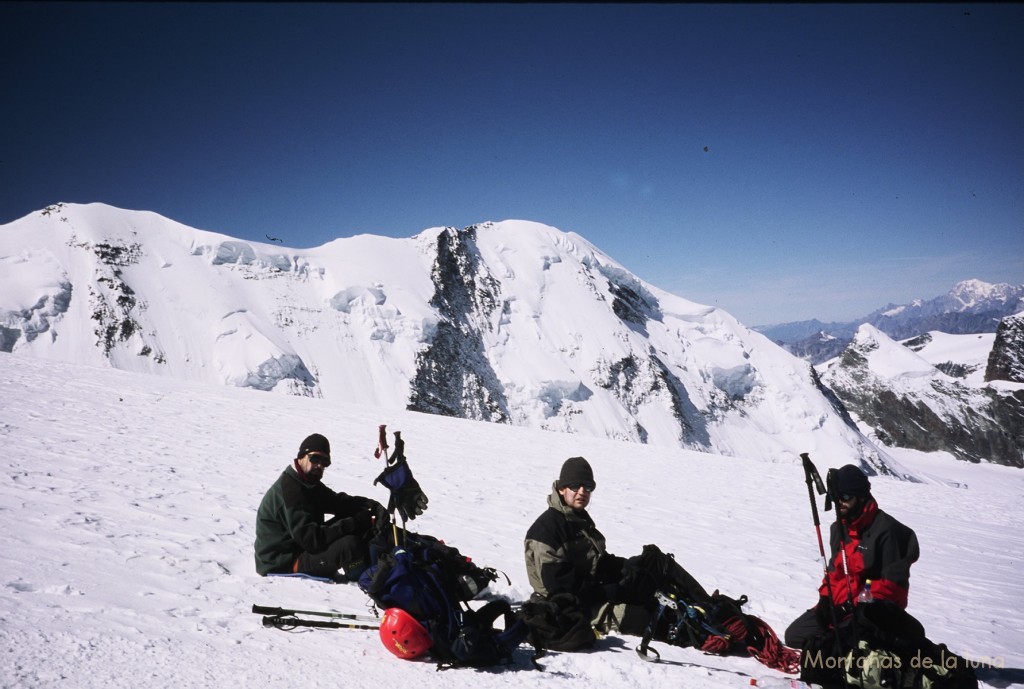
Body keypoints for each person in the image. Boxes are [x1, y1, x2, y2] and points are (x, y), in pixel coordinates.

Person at [523, 456, 706, 638]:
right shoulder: (547, 531)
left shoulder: (577, 519)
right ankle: (695, 636)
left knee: (653, 562)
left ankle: (707, 607)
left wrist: (625, 567)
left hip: (590, 590)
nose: (582, 492)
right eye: (575, 486)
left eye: (587, 487)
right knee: (640, 617)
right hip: (567, 606)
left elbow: (596, 560)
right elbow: (560, 589)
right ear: (562, 489)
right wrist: (608, 591)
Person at [785, 464, 920, 649]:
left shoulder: (887, 531)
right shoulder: (839, 529)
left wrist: (850, 607)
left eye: (846, 497)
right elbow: (834, 572)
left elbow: (891, 588)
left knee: (844, 643)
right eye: (835, 497)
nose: (839, 502)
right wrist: (825, 600)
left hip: (872, 612)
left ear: (862, 496)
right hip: (841, 608)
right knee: (795, 635)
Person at [254, 433, 389, 580]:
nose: (319, 465)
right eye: (315, 458)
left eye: (325, 462)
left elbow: (337, 503)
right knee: (349, 545)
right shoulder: (291, 491)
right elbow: (311, 540)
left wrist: (371, 506)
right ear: (301, 456)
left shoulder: (306, 481)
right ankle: (368, 580)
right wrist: (354, 523)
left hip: (299, 547)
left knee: (356, 522)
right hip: (283, 562)